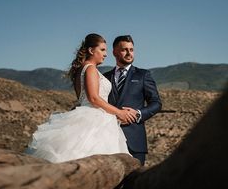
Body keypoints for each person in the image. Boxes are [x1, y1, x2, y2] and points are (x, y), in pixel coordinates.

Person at [25, 33, 139, 163]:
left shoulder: (81, 69)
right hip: (96, 120)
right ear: (91, 50)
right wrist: (119, 112)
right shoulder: (90, 69)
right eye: (102, 50)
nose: (105, 54)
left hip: (87, 115)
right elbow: (94, 98)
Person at [104, 35, 162, 165]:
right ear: (114, 52)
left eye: (131, 49)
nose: (129, 53)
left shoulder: (143, 75)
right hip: (108, 139)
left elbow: (156, 103)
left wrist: (138, 114)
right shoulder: (104, 77)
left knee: (133, 183)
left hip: (134, 141)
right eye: (125, 49)